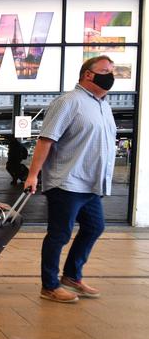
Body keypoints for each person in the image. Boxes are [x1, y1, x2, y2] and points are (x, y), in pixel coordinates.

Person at [24, 55, 117, 303]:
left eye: (112, 71)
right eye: (106, 71)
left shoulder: (103, 105)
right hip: (67, 182)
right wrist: (33, 174)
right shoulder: (68, 102)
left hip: (91, 184)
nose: (111, 76)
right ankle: (50, 286)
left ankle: (72, 277)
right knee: (59, 234)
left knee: (95, 227)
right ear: (88, 74)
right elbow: (46, 140)